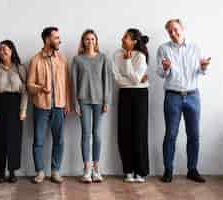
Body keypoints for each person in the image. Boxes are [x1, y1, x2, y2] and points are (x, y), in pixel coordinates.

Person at [157, 19, 211, 183]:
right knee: (171, 135)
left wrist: (203, 66)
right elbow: (160, 73)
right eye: (170, 31)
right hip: (172, 96)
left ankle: (192, 169)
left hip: (193, 95)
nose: (173, 33)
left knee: (194, 135)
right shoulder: (163, 49)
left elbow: (201, 71)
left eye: (175, 29)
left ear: (182, 29)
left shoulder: (195, 48)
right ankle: (168, 170)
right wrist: (165, 68)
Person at [27, 26, 71, 184]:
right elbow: (29, 85)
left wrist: (67, 103)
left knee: (59, 140)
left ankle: (55, 171)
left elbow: (67, 83)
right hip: (41, 107)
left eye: (59, 37)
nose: (60, 40)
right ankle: (39, 171)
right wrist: (40, 88)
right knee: (38, 140)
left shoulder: (62, 59)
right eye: (56, 38)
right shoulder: (35, 60)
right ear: (47, 39)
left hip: (59, 106)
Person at [71, 29, 111, 183]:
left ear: (96, 41)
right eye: (87, 39)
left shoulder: (103, 58)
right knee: (86, 134)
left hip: (99, 101)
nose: (90, 42)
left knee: (97, 134)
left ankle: (96, 169)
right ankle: (86, 169)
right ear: (83, 41)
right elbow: (73, 82)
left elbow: (107, 81)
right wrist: (75, 102)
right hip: (83, 101)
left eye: (93, 39)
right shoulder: (77, 60)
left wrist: (106, 101)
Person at [0, 40, 28, 183]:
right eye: (0, 49)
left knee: (14, 139)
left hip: (15, 105)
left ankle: (12, 172)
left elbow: (25, 91)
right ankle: (1, 171)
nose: (3, 52)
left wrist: (23, 110)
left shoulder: (20, 68)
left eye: (5, 49)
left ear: (12, 51)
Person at [113, 28, 150, 183]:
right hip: (125, 94)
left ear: (134, 41)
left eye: (126, 37)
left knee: (139, 132)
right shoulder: (116, 54)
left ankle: (140, 171)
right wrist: (132, 79)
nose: (122, 39)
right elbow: (117, 78)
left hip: (141, 95)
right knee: (124, 132)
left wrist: (128, 62)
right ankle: (128, 170)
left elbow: (136, 80)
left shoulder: (141, 56)